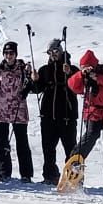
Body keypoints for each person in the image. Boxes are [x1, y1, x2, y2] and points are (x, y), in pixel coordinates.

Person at [66, 49, 103, 192]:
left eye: (89, 66)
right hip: (93, 113)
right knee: (89, 139)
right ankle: (75, 169)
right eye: (83, 67)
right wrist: (81, 74)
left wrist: (97, 77)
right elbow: (73, 86)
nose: (87, 69)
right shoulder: (83, 78)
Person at [0, 41, 37, 181]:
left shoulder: (23, 69)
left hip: (18, 110)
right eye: (6, 53)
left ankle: (26, 175)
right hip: (1, 110)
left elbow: (32, 86)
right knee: (2, 143)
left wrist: (32, 80)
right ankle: (4, 172)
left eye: (11, 53)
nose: (9, 56)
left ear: (16, 54)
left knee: (22, 143)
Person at [32, 40, 76, 184]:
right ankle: (50, 175)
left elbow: (78, 86)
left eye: (55, 52)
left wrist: (69, 74)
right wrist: (35, 80)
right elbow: (37, 90)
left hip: (67, 116)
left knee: (70, 149)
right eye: (50, 52)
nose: (53, 55)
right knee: (48, 148)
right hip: (48, 116)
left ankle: (73, 179)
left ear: (61, 51)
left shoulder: (72, 68)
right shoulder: (44, 70)